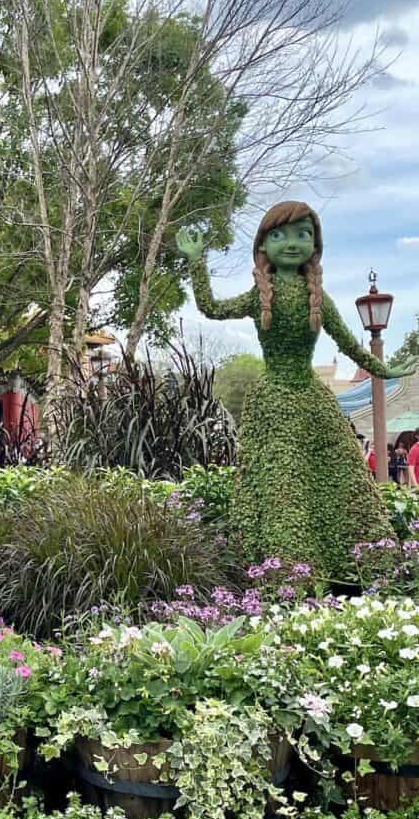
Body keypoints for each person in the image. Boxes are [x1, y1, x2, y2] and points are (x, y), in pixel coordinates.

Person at [177, 201, 416, 574]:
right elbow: (210, 307)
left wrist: (384, 369)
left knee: (341, 476)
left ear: (314, 246)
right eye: (279, 235)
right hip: (273, 400)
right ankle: (286, 569)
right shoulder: (260, 296)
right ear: (263, 247)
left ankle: (364, 562)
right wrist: (196, 260)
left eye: (303, 234)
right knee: (281, 482)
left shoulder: (318, 300)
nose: (292, 243)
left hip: (312, 399)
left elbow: (351, 345)